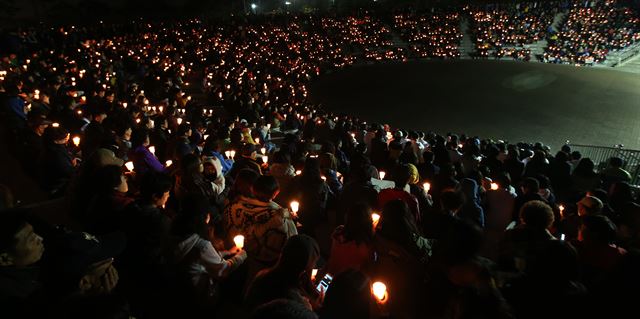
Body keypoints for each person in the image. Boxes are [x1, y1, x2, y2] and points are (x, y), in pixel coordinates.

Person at [172, 195, 247, 314]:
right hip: (199, 296)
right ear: (204, 218)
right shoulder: (201, 245)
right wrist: (242, 255)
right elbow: (222, 270)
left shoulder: (176, 233)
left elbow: (200, 259)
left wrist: (227, 252)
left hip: (178, 291)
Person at [227, 175, 298, 287]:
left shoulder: (236, 205)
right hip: (266, 258)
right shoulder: (277, 215)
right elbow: (285, 237)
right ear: (276, 193)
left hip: (242, 251)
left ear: (253, 189)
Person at [368, 200, 432, 319]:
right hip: (407, 289)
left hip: (383, 279)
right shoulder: (413, 241)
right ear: (407, 216)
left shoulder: (377, 236)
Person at [245, 235, 320, 311]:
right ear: (303, 269)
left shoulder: (262, 275)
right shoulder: (295, 302)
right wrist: (309, 309)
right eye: (314, 264)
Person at [0, 210, 45, 310]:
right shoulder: (19, 299)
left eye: (34, 234)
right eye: (31, 239)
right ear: (5, 259)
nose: (40, 238)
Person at [499, 200, 556, 273]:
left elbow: (502, 261)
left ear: (523, 216)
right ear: (549, 219)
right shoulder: (555, 245)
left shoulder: (509, 236)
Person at [325, 203, 374, 276]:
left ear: (348, 216)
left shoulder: (339, 231)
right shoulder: (367, 245)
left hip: (329, 275)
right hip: (348, 284)